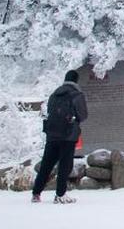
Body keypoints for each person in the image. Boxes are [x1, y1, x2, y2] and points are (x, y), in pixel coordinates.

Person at [31, 70, 89, 204]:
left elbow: (50, 112)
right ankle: (60, 194)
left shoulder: (54, 94)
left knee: (47, 163)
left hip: (52, 134)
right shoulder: (77, 95)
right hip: (68, 135)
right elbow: (83, 115)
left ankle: (36, 193)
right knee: (65, 164)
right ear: (76, 81)